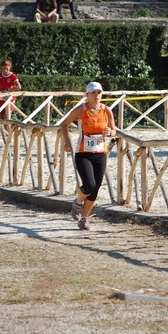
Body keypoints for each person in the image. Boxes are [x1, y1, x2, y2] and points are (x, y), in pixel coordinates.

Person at [61, 81, 117, 231]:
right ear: (87, 95)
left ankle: (84, 219)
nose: (96, 96)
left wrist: (110, 133)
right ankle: (78, 202)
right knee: (89, 185)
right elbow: (64, 124)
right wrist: (67, 142)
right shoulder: (80, 110)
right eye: (93, 93)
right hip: (83, 153)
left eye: (99, 93)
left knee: (96, 188)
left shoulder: (107, 110)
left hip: (100, 153)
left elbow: (114, 130)